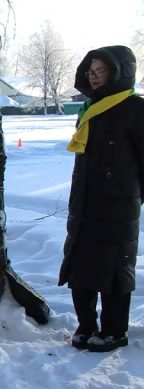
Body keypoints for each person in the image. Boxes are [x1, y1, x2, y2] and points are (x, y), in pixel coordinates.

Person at [60, 45, 144, 352]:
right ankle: (86, 326)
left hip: (119, 206)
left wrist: (131, 196)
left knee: (114, 269)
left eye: (100, 71)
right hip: (84, 203)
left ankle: (114, 331)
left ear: (119, 72)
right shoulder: (89, 108)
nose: (94, 77)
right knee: (80, 266)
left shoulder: (135, 108)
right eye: (90, 71)